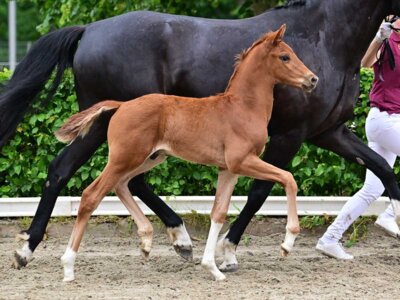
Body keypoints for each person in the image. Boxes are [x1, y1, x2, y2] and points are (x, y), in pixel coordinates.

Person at [316, 16, 400, 260]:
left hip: (393, 122)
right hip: (383, 120)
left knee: (371, 189)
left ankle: (329, 238)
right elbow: (364, 63)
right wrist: (377, 38)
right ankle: (388, 215)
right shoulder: (387, 42)